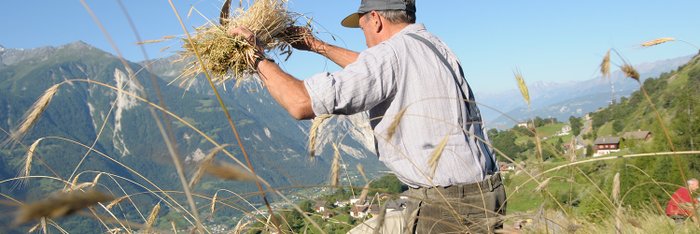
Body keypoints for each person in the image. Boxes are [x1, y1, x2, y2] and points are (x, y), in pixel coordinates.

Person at [229, 0, 506, 232]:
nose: (364, 36)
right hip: (485, 196)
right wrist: (316, 45)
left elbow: (300, 103)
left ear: (375, 19)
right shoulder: (432, 45)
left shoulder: (391, 55)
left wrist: (256, 56)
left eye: (362, 28)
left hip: (446, 208)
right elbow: (373, 69)